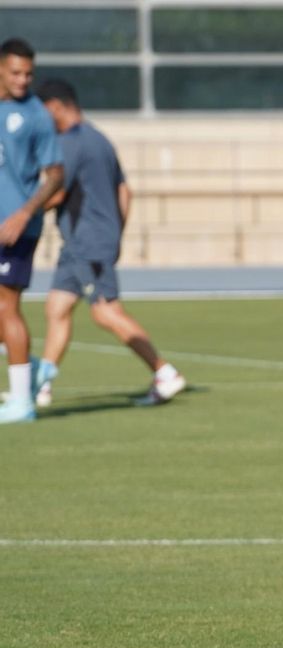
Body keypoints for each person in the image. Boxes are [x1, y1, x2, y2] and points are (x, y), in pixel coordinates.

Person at [31, 79, 185, 408]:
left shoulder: (71, 143)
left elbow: (55, 192)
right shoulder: (99, 138)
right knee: (57, 308)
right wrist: (116, 233)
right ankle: (40, 385)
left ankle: (164, 371)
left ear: (56, 106)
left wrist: (20, 214)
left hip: (87, 242)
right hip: (84, 242)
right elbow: (125, 192)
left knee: (104, 312)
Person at [0, 37, 62, 424]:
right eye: (16, 73)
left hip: (13, 228)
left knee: (6, 307)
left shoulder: (37, 116)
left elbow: (56, 175)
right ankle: (30, 365)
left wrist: (24, 214)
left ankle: (22, 402)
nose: (23, 80)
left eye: (29, 74)